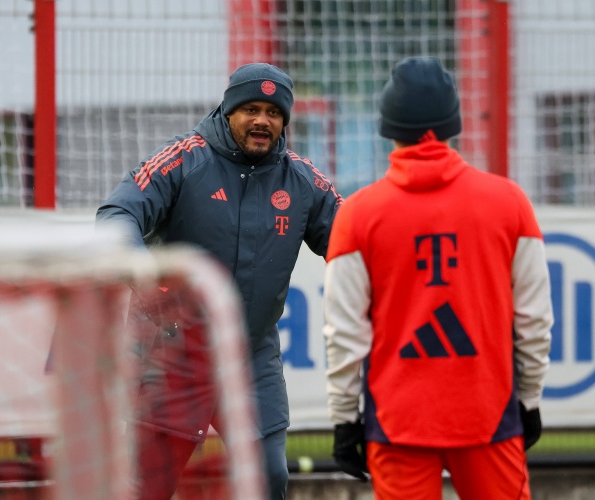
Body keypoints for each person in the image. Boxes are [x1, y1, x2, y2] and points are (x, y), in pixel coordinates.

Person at [96, 62, 343, 500]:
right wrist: (150, 283)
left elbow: (354, 236)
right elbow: (116, 215)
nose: (262, 120)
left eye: (273, 112)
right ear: (229, 111)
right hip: (173, 354)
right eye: (251, 109)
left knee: (269, 477)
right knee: (148, 487)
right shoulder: (183, 159)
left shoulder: (302, 180)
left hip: (251, 356)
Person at [322, 56, 553, 499]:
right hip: (489, 414)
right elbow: (535, 319)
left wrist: (345, 418)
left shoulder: (357, 216)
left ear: (388, 126)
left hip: (398, 422)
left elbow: (344, 332)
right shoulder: (509, 203)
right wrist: (529, 398)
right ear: (453, 123)